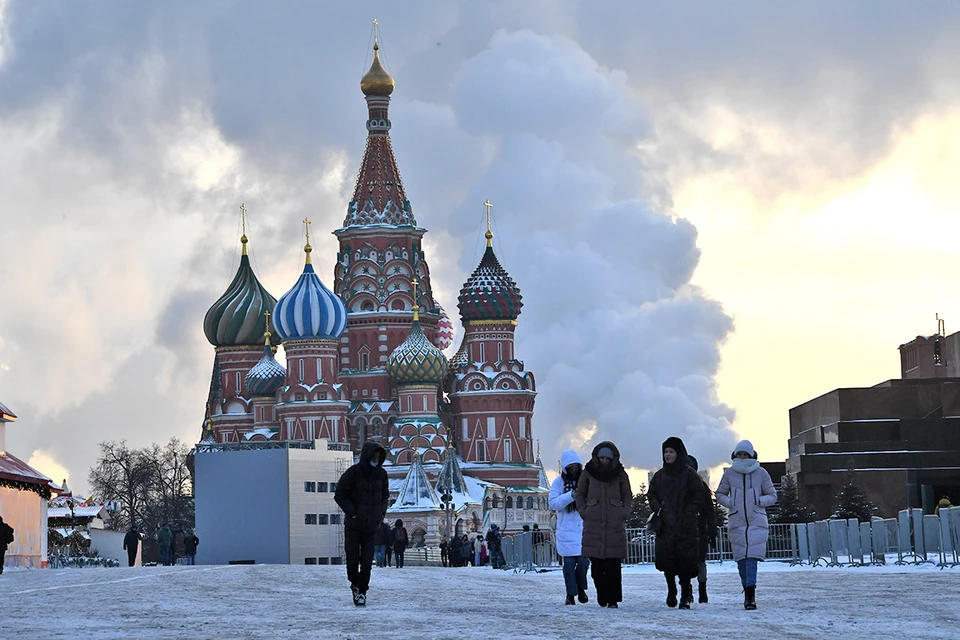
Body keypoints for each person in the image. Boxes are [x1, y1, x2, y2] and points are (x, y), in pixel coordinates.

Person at [715, 439, 777, 610]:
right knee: (741, 560)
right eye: (739, 454)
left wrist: (758, 500)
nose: (742, 457)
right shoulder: (729, 474)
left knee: (751, 559)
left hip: (756, 520)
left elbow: (772, 495)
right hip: (737, 520)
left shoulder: (761, 473)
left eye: (745, 454)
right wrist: (731, 502)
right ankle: (746, 586)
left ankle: (750, 595)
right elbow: (719, 493)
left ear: (752, 455)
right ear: (735, 455)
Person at [648, 437, 708, 610]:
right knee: (668, 561)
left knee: (685, 562)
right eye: (665, 451)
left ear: (679, 453)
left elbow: (699, 494)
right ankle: (671, 590)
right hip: (666, 525)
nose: (668, 455)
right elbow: (651, 494)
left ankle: (685, 595)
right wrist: (658, 508)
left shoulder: (690, 475)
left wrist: (689, 512)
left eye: (671, 451)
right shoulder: (659, 476)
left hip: (685, 526)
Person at [575, 441, 632, 609]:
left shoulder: (620, 474)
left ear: (613, 458)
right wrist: (585, 511)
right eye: (601, 458)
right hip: (593, 524)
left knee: (613, 565)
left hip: (615, 523)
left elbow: (627, 496)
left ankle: (613, 599)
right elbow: (580, 494)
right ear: (596, 458)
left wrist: (624, 512)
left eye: (607, 458)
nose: (604, 461)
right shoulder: (588, 473)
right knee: (597, 566)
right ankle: (602, 594)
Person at [334, 440, 389, 607]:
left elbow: (385, 496)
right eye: (374, 456)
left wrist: (381, 513)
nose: (376, 459)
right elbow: (340, 494)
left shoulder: (382, 474)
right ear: (367, 456)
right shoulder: (353, 473)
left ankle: (362, 592)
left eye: (379, 456)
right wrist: (354, 512)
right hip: (353, 525)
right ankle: (354, 583)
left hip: (371, 526)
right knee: (352, 560)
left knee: (366, 562)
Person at [549, 449, 590, 606]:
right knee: (568, 566)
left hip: (583, 527)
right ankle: (570, 594)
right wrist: (570, 495)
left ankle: (581, 588)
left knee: (584, 563)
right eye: (570, 467)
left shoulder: (586, 481)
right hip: (566, 528)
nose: (573, 470)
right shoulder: (558, 483)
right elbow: (553, 502)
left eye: (575, 467)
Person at [687, 455, 717, 604]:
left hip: (699, 530)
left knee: (698, 562)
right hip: (690, 530)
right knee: (691, 562)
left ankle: (699, 591)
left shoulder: (701, 487)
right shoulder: (702, 486)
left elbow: (709, 512)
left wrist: (711, 530)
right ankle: (693, 591)